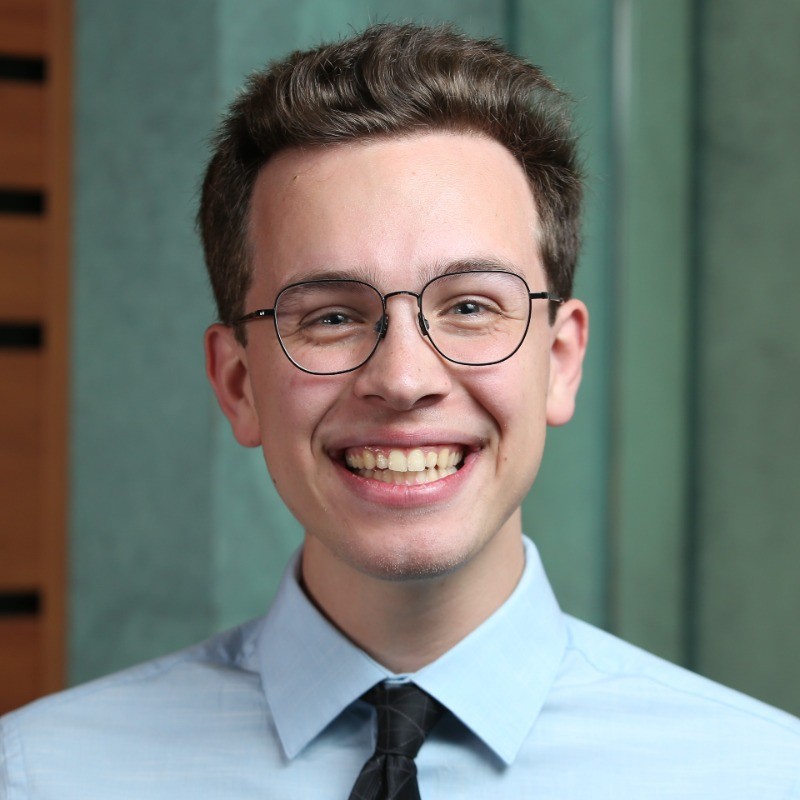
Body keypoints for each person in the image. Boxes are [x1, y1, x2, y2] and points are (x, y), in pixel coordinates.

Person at [2, 23, 798, 800]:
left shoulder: (763, 778)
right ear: (238, 384)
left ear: (560, 361)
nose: (405, 377)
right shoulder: (37, 775)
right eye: (330, 316)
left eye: (472, 307)